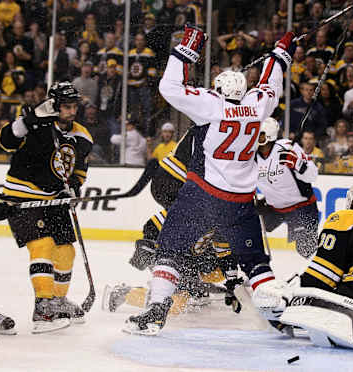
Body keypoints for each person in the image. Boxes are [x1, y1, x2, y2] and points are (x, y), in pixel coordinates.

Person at [124, 25, 296, 336]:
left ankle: (157, 309)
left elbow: (171, 87)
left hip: (204, 196)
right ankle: (277, 314)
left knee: (170, 249)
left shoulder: (211, 105)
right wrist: (282, 53)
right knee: (256, 262)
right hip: (241, 201)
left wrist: (187, 48)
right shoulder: (259, 106)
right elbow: (271, 83)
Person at [103, 126, 238, 314]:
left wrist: (233, 280)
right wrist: (150, 247)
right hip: (171, 254)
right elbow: (153, 225)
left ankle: (194, 288)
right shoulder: (193, 209)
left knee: (215, 270)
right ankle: (123, 293)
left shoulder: (219, 214)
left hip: (189, 257)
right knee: (176, 306)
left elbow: (225, 254)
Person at [0, 81, 93, 334]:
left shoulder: (82, 136)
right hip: (22, 195)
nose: (71, 112)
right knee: (42, 245)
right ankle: (43, 308)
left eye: (74, 107)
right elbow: (5, 142)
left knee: (66, 252)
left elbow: (80, 168)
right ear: (54, 105)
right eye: (66, 107)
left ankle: (57, 301)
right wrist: (26, 122)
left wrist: (74, 185)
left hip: (54, 199)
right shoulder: (37, 123)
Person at [269, 182, 353, 351]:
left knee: (303, 299)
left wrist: (293, 293)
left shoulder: (344, 218)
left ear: (351, 201)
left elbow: (324, 274)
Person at [255, 117, 319, 259]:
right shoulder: (251, 156)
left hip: (301, 206)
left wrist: (298, 164)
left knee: (306, 249)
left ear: (270, 135)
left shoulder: (287, 148)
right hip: (274, 208)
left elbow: (313, 175)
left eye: (261, 135)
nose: (256, 138)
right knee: (245, 228)